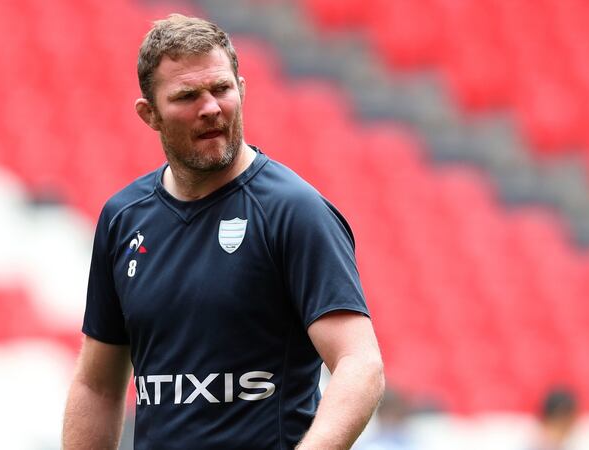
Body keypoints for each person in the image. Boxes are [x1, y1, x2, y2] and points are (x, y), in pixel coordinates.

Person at [62, 14, 385, 449]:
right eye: (187, 96)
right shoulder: (124, 219)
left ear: (242, 90)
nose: (211, 107)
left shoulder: (294, 211)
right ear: (149, 114)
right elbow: (96, 387)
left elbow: (359, 364)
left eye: (221, 89)